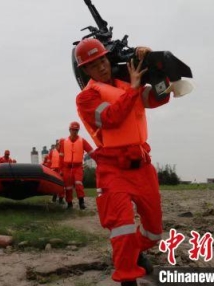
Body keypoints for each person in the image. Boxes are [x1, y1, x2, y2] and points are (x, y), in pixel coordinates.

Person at [74, 38, 170, 285]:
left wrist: (155, 67)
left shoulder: (128, 83)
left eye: (103, 60)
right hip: (112, 169)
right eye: (94, 65)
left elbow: (160, 98)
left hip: (142, 165)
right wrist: (134, 88)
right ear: (85, 70)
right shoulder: (86, 98)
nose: (102, 67)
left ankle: (135, 252)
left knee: (154, 232)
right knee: (123, 228)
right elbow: (111, 118)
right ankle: (128, 277)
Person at [59, 121, 94, 210]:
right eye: (73, 130)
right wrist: (61, 169)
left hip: (77, 167)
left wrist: (100, 160)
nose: (74, 131)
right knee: (68, 187)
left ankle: (81, 202)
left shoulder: (82, 141)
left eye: (76, 130)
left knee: (78, 184)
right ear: (69, 130)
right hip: (67, 168)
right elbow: (61, 157)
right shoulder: (64, 142)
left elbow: (92, 152)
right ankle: (69, 203)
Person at [47, 140, 64, 204]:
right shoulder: (52, 152)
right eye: (57, 144)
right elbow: (49, 161)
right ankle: (54, 198)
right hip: (54, 170)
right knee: (55, 184)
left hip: (61, 169)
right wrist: (49, 170)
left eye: (59, 144)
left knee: (62, 185)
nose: (58, 146)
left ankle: (61, 199)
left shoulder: (63, 151)